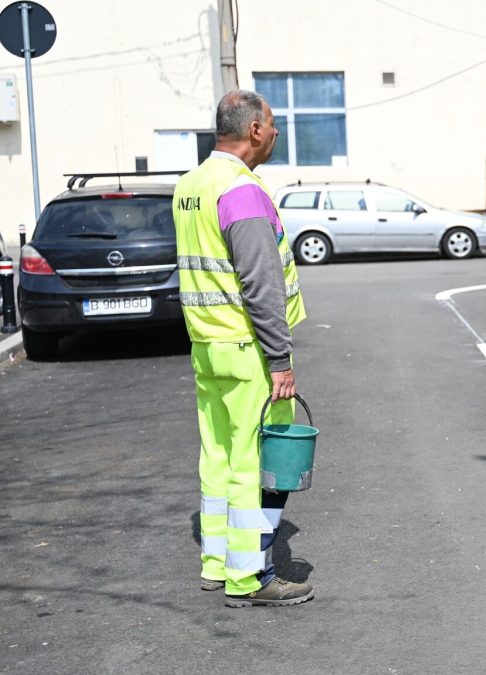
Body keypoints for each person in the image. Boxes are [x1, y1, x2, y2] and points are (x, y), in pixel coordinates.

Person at [173, 90, 312, 607]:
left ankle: (216, 563)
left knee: (217, 456)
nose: (275, 132)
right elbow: (260, 283)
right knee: (257, 461)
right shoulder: (242, 190)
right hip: (249, 348)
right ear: (254, 129)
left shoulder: (190, 185)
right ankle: (250, 577)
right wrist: (280, 360)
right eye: (272, 123)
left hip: (206, 346)